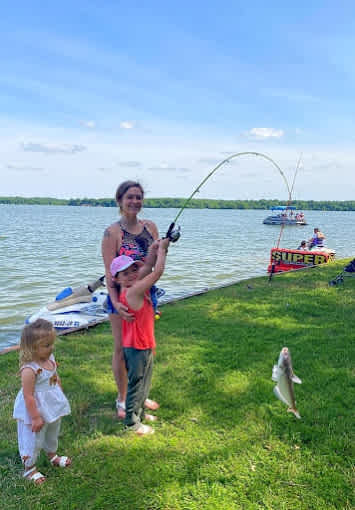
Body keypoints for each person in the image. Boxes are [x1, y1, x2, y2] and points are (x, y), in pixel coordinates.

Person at [101, 181, 160, 419]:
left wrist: (162, 249)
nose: (135, 201)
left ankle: (140, 396)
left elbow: (153, 263)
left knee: (144, 349)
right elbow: (109, 274)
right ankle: (123, 398)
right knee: (121, 349)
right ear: (120, 201)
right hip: (121, 300)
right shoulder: (112, 233)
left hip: (145, 297)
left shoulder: (151, 227)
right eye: (130, 197)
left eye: (139, 197)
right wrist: (116, 303)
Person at [110, 237, 170, 435]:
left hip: (144, 344)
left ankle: (141, 413)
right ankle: (132, 423)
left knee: (145, 382)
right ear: (116, 279)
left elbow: (149, 266)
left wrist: (153, 250)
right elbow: (158, 271)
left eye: (133, 270)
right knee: (137, 384)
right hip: (136, 347)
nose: (131, 275)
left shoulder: (132, 284)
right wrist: (162, 250)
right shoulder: (133, 290)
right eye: (124, 273)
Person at [13, 319, 71, 485]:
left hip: (51, 405)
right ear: (32, 347)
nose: (51, 347)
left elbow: (54, 376)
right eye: (46, 345)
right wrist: (36, 417)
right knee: (34, 438)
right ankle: (29, 468)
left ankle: (52, 455)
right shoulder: (29, 370)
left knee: (52, 430)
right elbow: (28, 396)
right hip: (35, 409)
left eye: (51, 343)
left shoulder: (49, 358)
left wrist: (59, 393)